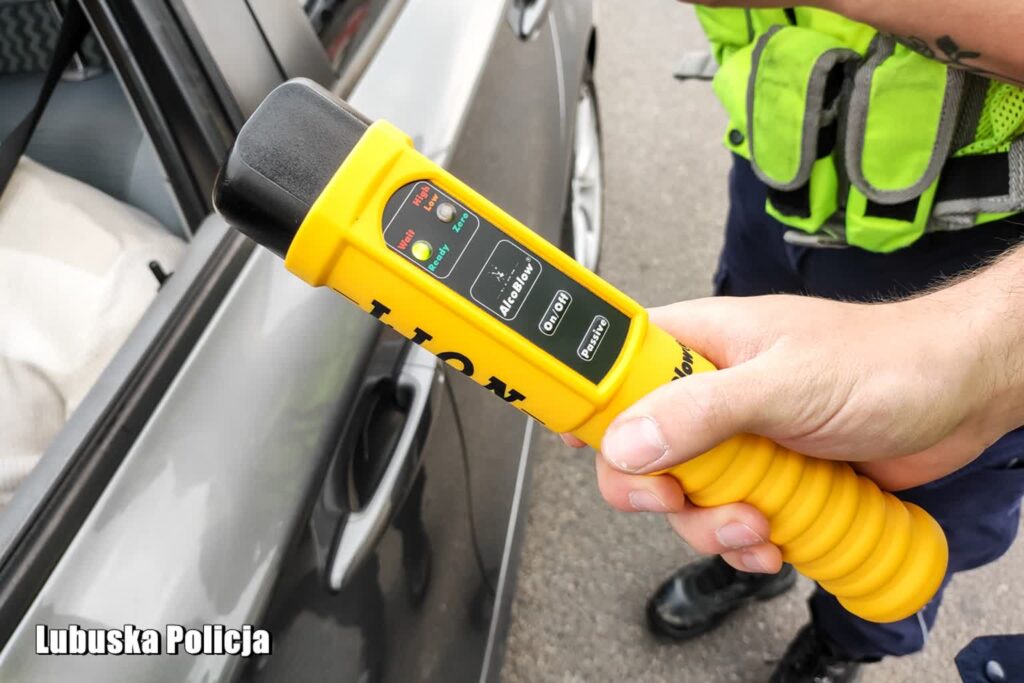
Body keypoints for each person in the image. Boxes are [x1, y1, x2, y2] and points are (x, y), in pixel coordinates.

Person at [568, 1, 1024, 680]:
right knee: (733, 428)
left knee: (920, 509)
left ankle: (843, 643)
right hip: (775, 177)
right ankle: (756, 564)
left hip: (971, 249)